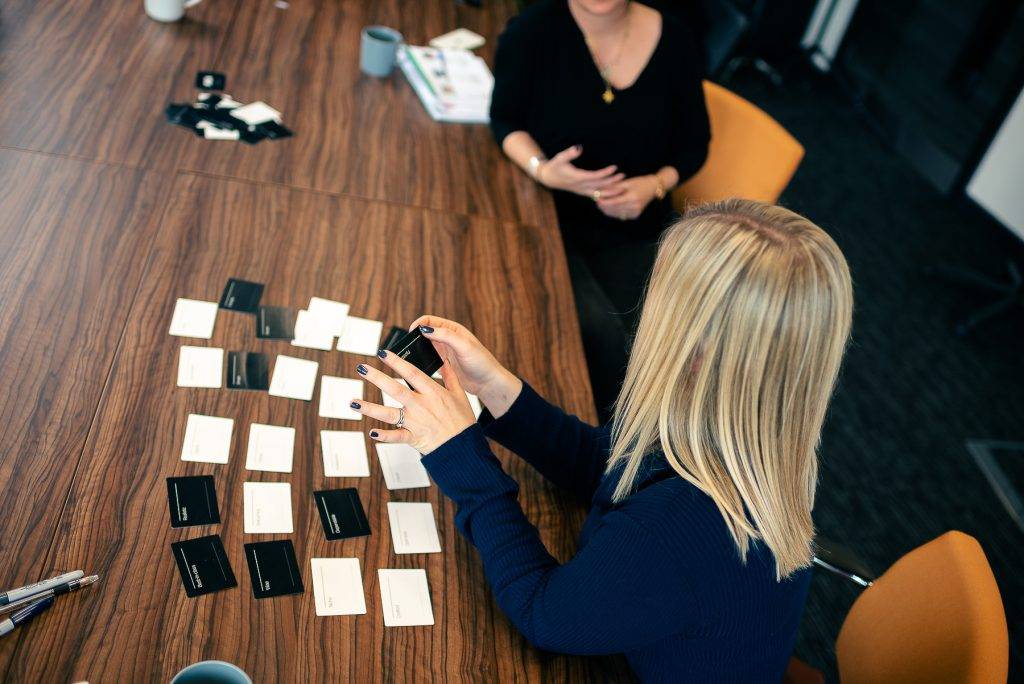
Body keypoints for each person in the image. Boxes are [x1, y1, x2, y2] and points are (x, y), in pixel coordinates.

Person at [349, 200, 854, 682]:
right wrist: (497, 389)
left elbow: (544, 613)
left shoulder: (681, 528)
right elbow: (612, 467)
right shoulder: (744, 435)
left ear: (694, 349)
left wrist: (461, 456)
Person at [489, 0, 711, 421]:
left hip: (637, 228)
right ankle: (609, 454)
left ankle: (643, 460)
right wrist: (543, 171)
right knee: (593, 340)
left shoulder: (676, 39)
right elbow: (504, 119)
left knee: (670, 355)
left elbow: (695, 145)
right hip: (546, 220)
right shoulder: (531, 31)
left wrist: (655, 184)